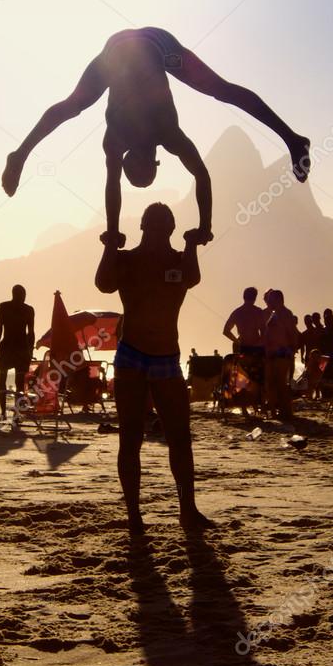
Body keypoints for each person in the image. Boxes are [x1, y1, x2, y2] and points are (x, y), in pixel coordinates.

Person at [2, 27, 310, 249]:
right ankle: (293, 139)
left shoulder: (121, 141)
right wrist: (204, 227)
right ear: (152, 162)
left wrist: (113, 232)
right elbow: (201, 173)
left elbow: (114, 184)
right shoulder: (167, 135)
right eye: (146, 167)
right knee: (220, 89)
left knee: (75, 104)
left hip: (131, 53)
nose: (141, 160)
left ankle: (20, 154)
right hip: (155, 50)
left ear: (132, 162)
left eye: (136, 167)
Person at [95, 203, 210, 536]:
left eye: (165, 224)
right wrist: (109, 247)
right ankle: (134, 516)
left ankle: (187, 510)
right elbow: (104, 283)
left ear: (172, 228)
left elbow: (193, 278)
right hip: (131, 355)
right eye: (153, 223)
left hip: (166, 357)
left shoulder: (178, 260)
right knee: (130, 437)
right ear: (143, 225)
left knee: (180, 437)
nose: (159, 229)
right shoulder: (127, 259)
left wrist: (192, 243)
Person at [0, 285, 36, 420]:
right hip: (14, 348)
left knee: (16, 381)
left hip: (15, 348)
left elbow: (31, 332)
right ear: (15, 295)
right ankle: (4, 412)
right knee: (5, 380)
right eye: (22, 295)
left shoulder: (22, 309)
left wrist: (30, 350)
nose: (23, 298)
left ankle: (12, 412)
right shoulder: (7, 307)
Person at [263, 290, 301, 421]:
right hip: (273, 354)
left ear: (278, 300)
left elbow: (293, 333)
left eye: (270, 300)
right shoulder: (275, 314)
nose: (268, 302)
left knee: (280, 384)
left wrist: (291, 350)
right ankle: (278, 411)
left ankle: (286, 412)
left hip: (282, 353)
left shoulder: (285, 314)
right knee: (273, 383)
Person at [223, 288, 264, 355]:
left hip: (244, 346)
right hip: (255, 347)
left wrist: (237, 342)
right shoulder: (258, 312)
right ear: (255, 298)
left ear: (243, 297)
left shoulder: (237, 312)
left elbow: (226, 331)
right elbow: (264, 331)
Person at [319, 307, 333, 382]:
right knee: (321, 375)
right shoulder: (324, 329)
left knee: (330, 376)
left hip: (331, 356)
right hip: (323, 356)